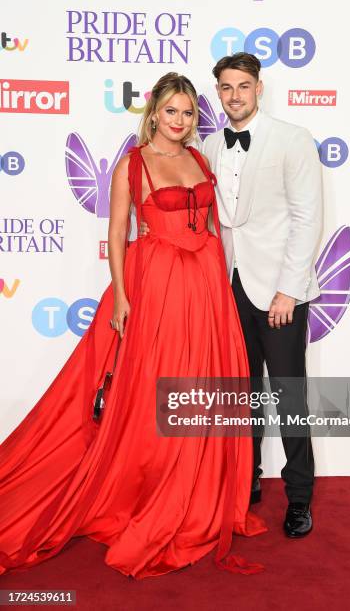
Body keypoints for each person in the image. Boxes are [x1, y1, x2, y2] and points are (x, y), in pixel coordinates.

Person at [0, 72, 267, 579]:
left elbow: (212, 227)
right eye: (172, 111)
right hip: (158, 284)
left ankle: (199, 486)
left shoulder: (199, 159)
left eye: (188, 113)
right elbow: (118, 233)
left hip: (205, 287)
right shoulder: (132, 164)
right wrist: (122, 296)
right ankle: (154, 481)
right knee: (154, 388)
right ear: (153, 114)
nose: (180, 121)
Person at [204, 53, 323, 538]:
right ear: (218, 92)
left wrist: (287, 292)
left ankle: (299, 497)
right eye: (226, 87)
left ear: (259, 88)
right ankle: (247, 478)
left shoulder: (292, 139)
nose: (235, 95)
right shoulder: (209, 144)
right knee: (243, 393)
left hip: (279, 293)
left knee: (287, 394)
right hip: (227, 286)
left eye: (243, 86)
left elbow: (306, 218)